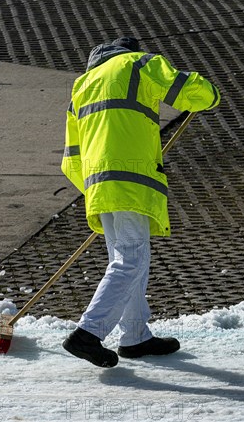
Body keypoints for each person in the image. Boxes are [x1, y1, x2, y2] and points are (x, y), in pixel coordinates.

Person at [60, 37, 221, 367]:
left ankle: (135, 336)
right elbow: (189, 91)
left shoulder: (82, 85)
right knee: (131, 259)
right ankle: (88, 333)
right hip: (131, 180)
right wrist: (212, 95)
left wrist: (98, 188)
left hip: (99, 187)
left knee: (128, 260)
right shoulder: (139, 63)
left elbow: (70, 159)